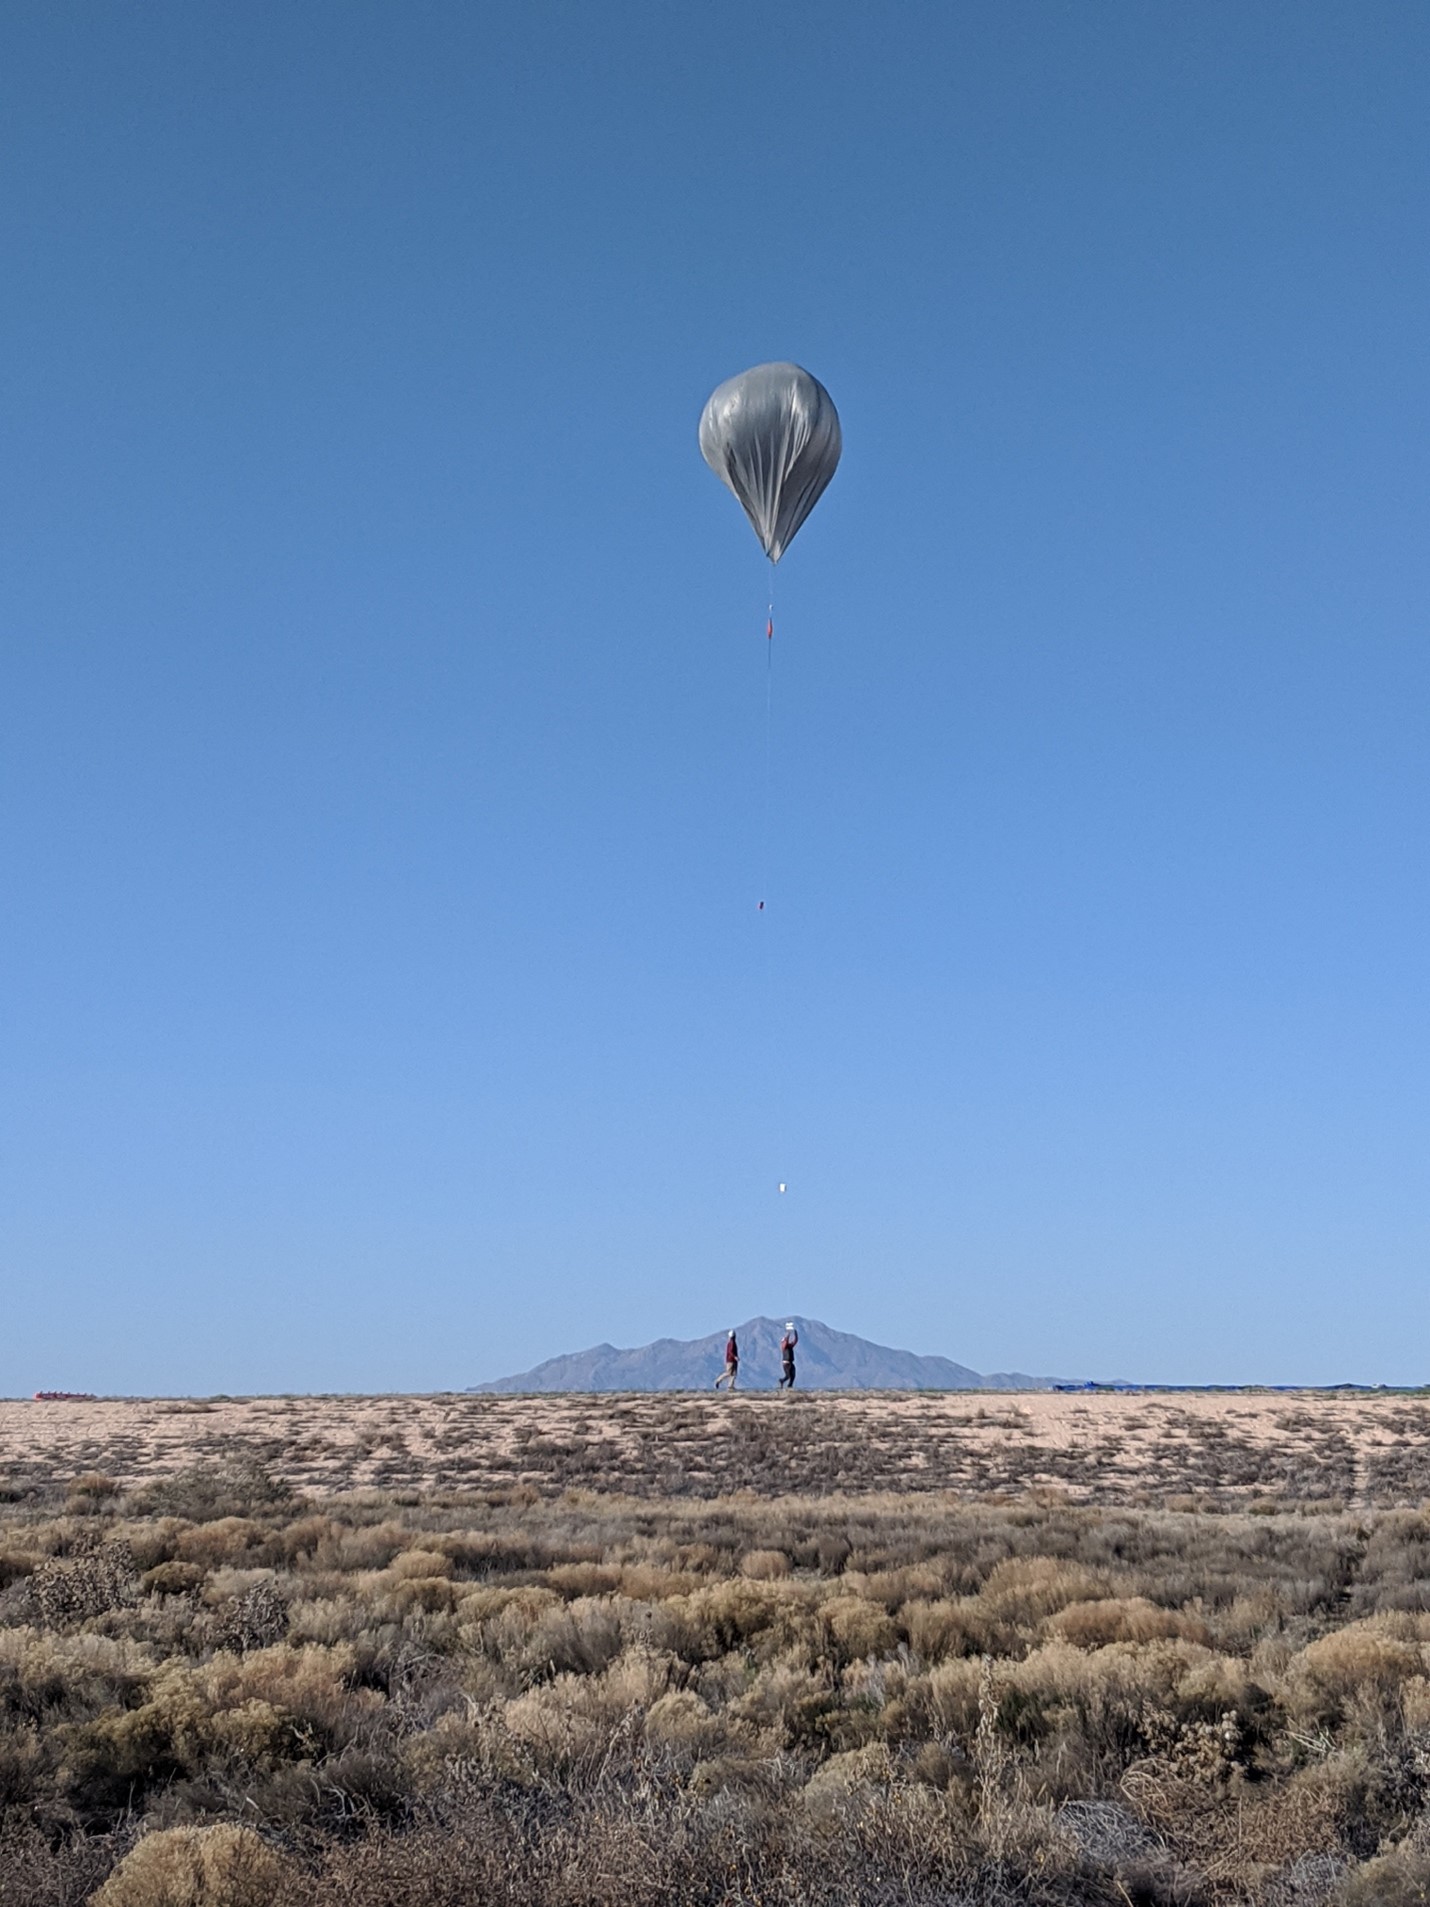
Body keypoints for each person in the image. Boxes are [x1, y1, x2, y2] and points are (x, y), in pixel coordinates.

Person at [778, 1323, 798, 1389]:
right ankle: (781, 1381)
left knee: (793, 1375)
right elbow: (786, 1342)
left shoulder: (790, 1346)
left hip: (791, 1363)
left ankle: (790, 1386)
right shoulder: (784, 1346)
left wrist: (795, 1333)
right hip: (786, 1364)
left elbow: (795, 1341)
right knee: (788, 1375)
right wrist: (788, 1334)